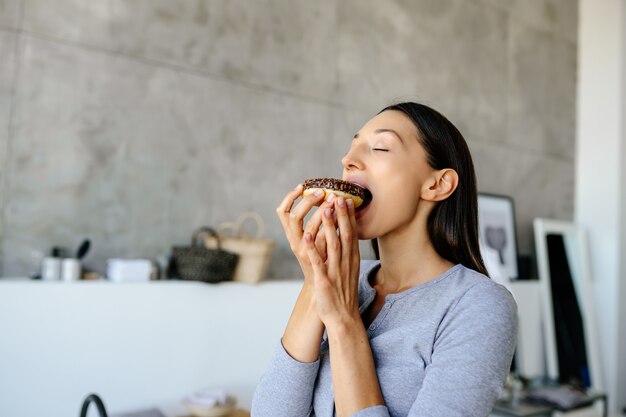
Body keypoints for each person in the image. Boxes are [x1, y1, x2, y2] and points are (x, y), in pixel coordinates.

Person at [251, 102, 518, 417]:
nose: (348, 161)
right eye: (352, 149)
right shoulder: (344, 277)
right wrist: (315, 280)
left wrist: (344, 321)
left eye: (380, 147)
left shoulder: (478, 305)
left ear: (437, 184)